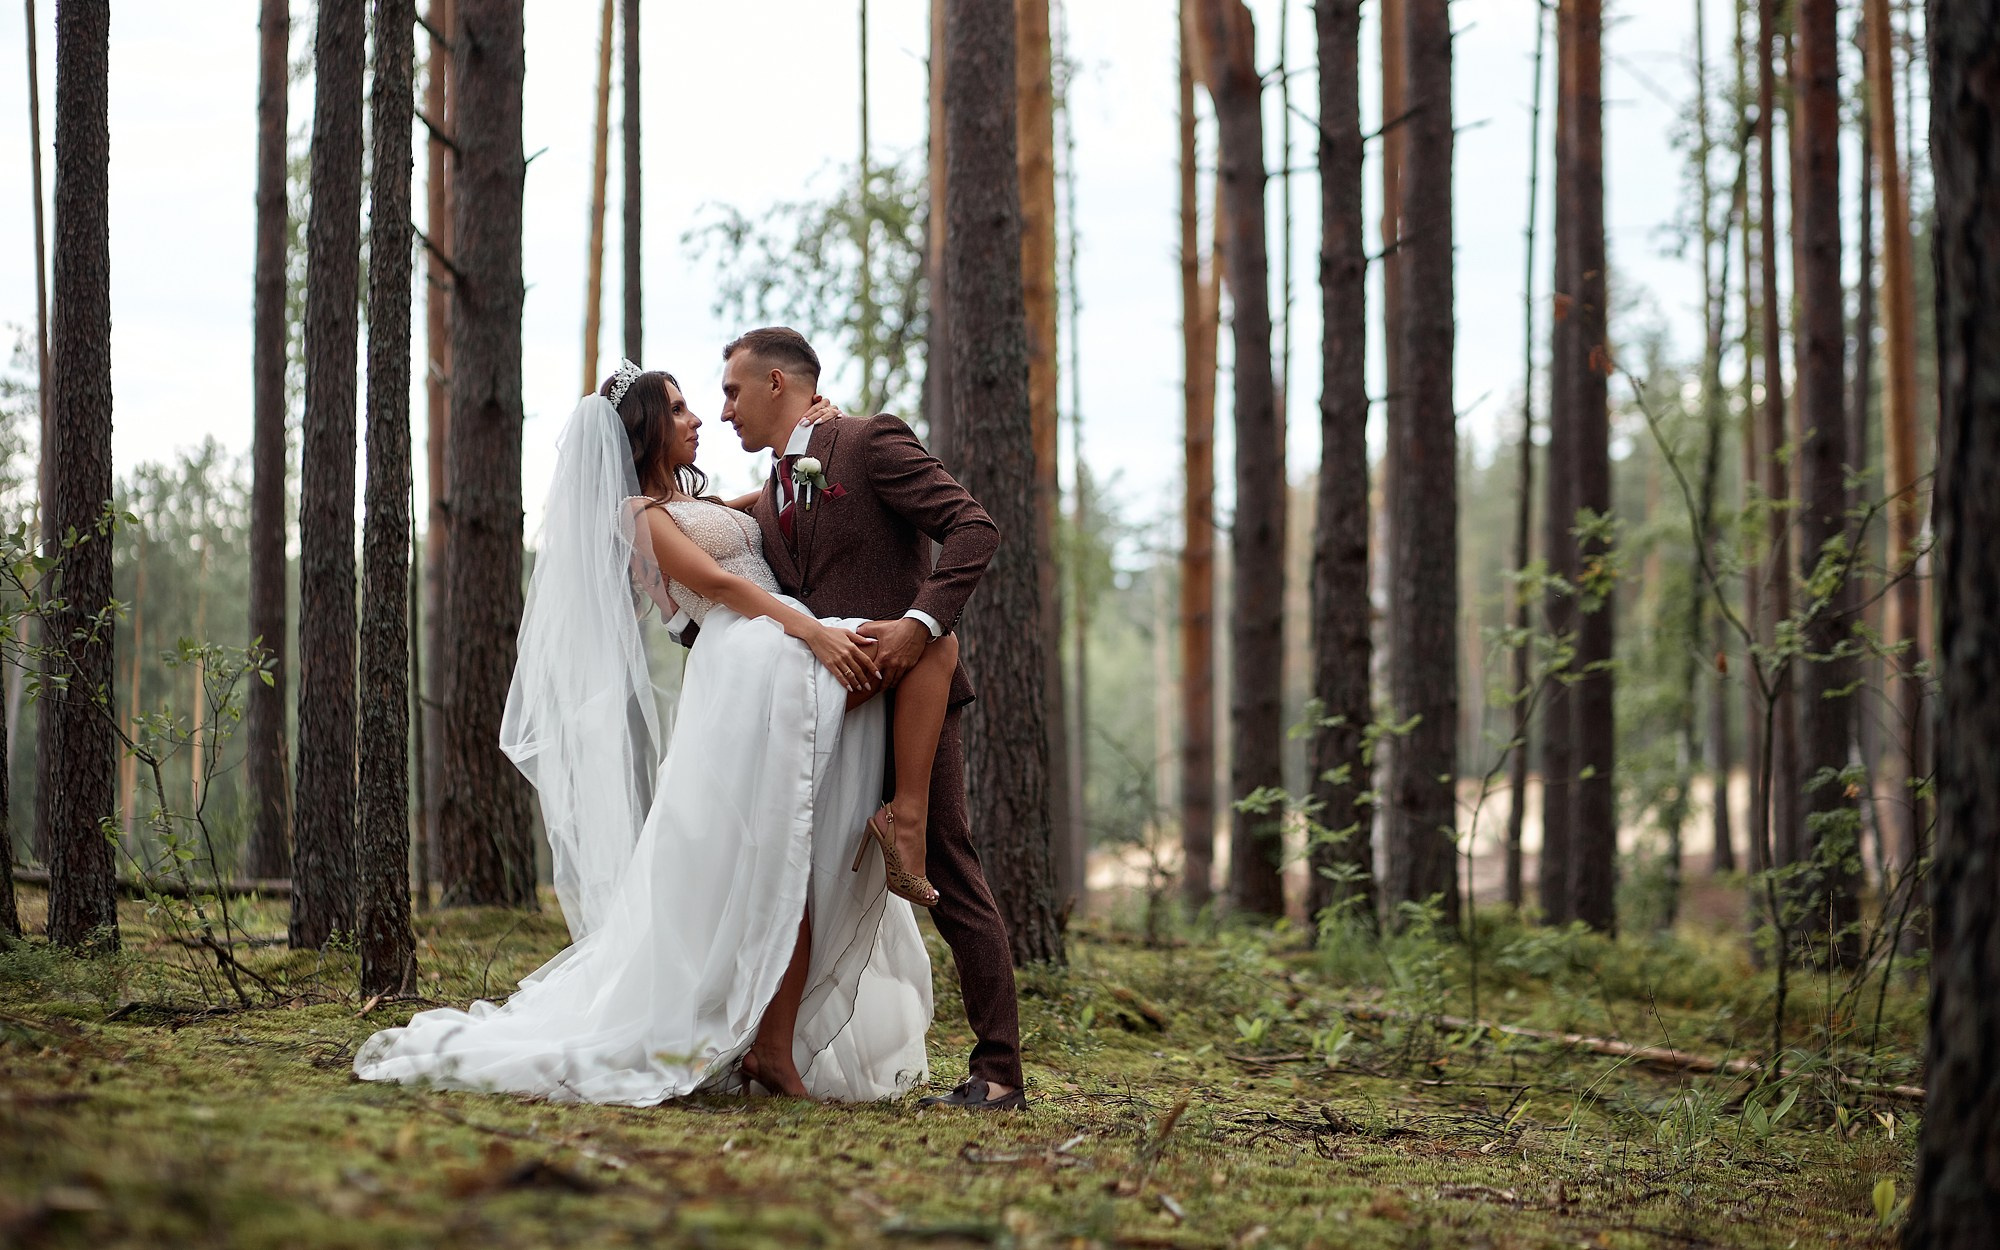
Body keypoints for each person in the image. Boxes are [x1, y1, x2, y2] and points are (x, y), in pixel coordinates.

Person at [352, 360, 947, 1103]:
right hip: (752, 655)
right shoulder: (636, 515)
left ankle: (780, 1032)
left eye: (700, 404)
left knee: (795, 847)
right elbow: (727, 586)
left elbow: (781, 504)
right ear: (645, 428)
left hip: (771, 654)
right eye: (678, 408)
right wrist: (816, 635)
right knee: (918, 659)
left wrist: (814, 433)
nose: (699, 418)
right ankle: (902, 826)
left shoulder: (694, 501)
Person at [719, 326, 1027, 1111]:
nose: (725, 412)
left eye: (733, 391)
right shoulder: (774, 489)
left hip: (910, 703)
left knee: (948, 871)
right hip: (826, 713)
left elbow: (975, 528)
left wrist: (919, 624)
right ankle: (772, 1046)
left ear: (779, 384)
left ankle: (1000, 1076)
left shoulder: (869, 443)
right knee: (798, 870)